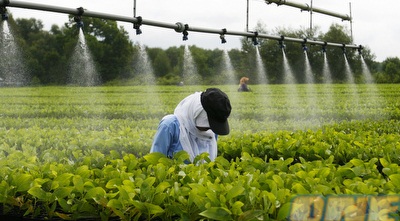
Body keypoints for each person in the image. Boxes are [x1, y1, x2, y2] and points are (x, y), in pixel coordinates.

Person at [150, 88, 231, 162]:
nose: (209, 129)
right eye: (209, 124)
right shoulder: (170, 126)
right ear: (197, 114)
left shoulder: (212, 132)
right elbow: (155, 162)